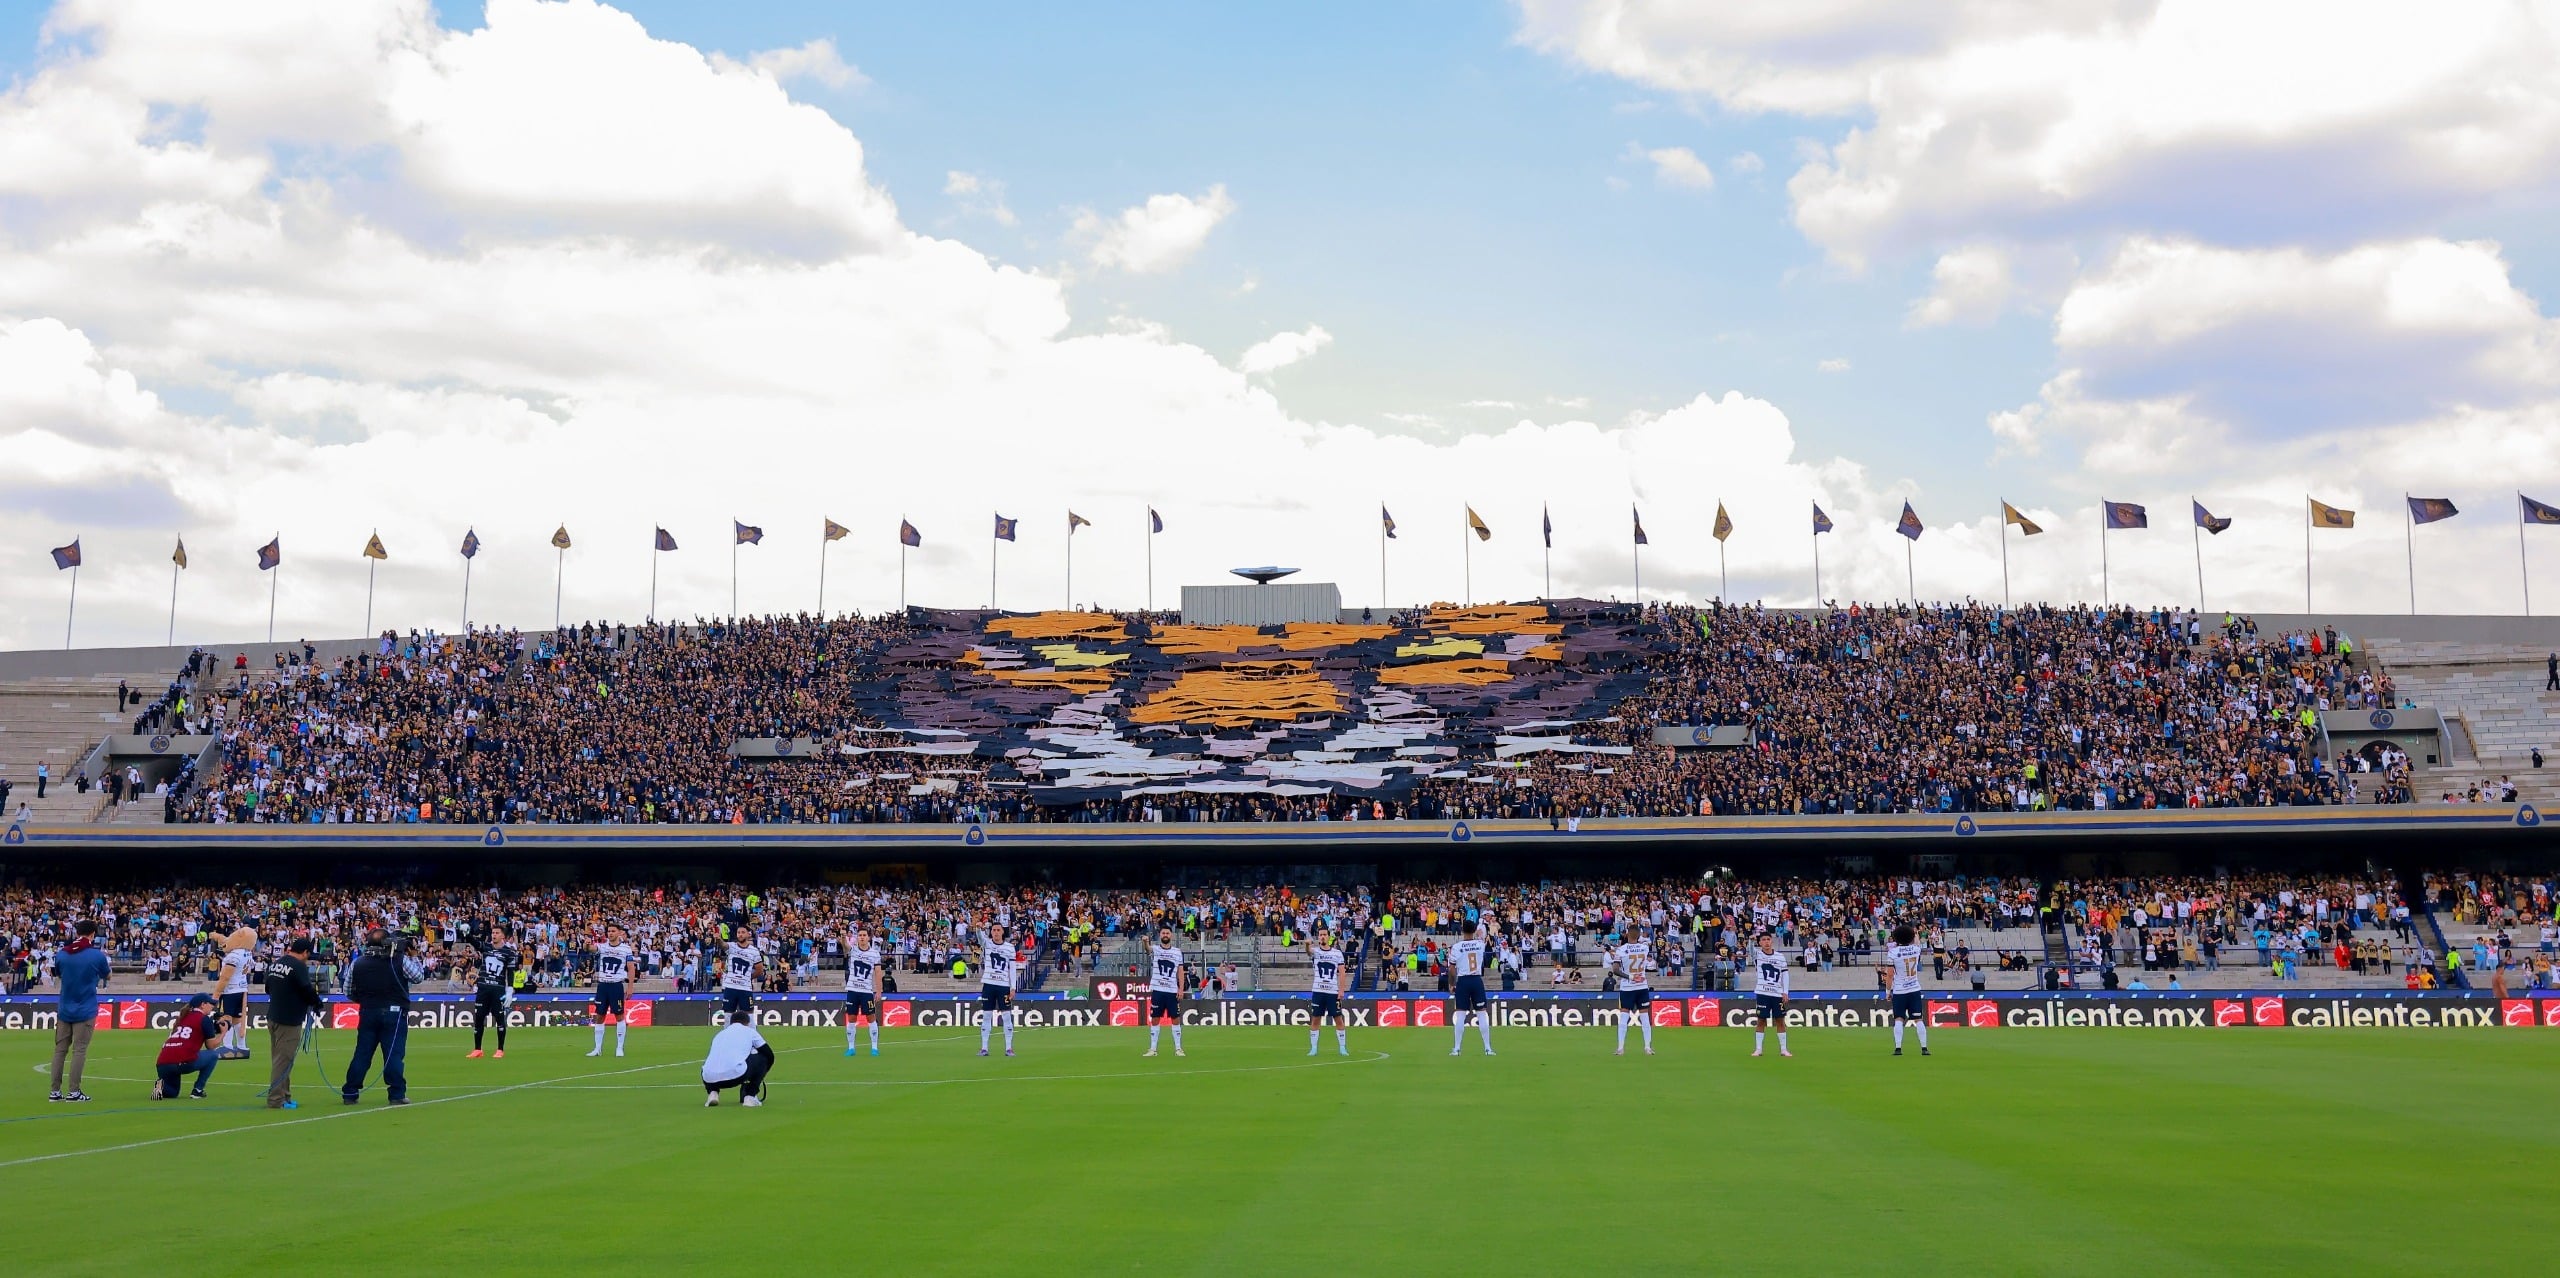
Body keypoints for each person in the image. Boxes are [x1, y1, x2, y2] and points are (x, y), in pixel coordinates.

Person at [339, 929, 413, 1106]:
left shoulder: (358, 963)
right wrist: (406, 953)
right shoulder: (399, 959)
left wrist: (363, 1000)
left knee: (362, 1054)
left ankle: (350, 1092)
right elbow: (418, 976)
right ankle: (396, 1094)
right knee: (393, 1056)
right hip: (394, 1012)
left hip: (368, 1011)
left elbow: (347, 990)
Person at [49, 917, 110, 1102]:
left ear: (76, 933)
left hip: (65, 1008)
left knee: (60, 1050)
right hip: (85, 1008)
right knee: (79, 1050)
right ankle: (74, 1091)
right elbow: (107, 974)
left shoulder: (62, 954)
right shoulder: (97, 955)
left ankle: (55, 1091)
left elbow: (57, 973)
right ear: (93, 935)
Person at [260, 936, 323, 1109]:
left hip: (273, 1016)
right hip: (289, 1019)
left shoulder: (276, 964)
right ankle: (275, 1100)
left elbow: (267, 988)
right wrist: (316, 1002)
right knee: (283, 1060)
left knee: (281, 1059)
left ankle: (285, 1096)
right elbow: (306, 988)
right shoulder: (298, 966)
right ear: (305, 952)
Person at [154, 993, 230, 1099]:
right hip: (183, 1061)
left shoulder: (182, 1017)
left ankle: (160, 1086)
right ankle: (198, 1090)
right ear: (202, 1004)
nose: (212, 1006)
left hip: (162, 1063)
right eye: (210, 1004)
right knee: (213, 1055)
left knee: (172, 1094)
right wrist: (223, 1033)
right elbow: (211, 1046)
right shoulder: (203, 1019)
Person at [701, 1013, 773, 1108]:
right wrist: (760, 1075)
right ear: (747, 1023)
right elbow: (769, 1054)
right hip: (736, 1076)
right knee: (763, 1058)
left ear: (731, 1023)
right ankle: (750, 1096)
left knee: (708, 1065)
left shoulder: (719, 1034)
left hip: (708, 1079)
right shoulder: (750, 1032)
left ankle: (713, 1093)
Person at [587, 925, 636, 1058]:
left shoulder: (625, 949)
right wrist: (587, 945)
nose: (610, 933)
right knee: (599, 1015)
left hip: (616, 985)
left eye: (613, 931)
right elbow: (591, 949)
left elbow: (631, 968)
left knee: (619, 1015)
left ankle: (619, 1047)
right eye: (609, 931)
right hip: (603, 985)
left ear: (619, 933)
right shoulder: (603, 946)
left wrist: (630, 987)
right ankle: (597, 1048)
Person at [1448, 918, 1493, 1056]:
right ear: (1474, 930)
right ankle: (1487, 1048)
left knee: (1460, 1014)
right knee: (1482, 1013)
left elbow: (1451, 968)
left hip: (1463, 981)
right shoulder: (1480, 944)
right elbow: (1485, 937)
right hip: (1476, 980)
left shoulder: (1456, 947)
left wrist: (1451, 984)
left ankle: (1457, 1048)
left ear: (1462, 931)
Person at [1885, 924, 1930, 1057]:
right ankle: (1924, 1048)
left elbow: (1890, 974)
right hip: (1914, 988)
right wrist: (1915, 933)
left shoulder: (1893, 953)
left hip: (1899, 990)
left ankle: (1898, 1048)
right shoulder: (1916, 949)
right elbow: (1916, 940)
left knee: (1899, 1019)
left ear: (1896, 938)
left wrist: (1888, 992)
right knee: (1918, 1019)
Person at [213, 927, 258, 1059]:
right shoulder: (247, 953)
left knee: (225, 1017)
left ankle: (227, 1047)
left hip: (230, 990)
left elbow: (225, 977)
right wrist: (216, 936)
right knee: (238, 1019)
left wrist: (216, 994)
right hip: (242, 989)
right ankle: (242, 1047)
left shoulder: (233, 956)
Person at [468, 935, 516, 1058]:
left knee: (499, 1018)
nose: (493, 935)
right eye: (493, 932)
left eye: (496, 933)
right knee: (478, 1018)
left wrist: (510, 989)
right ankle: (477, 1049)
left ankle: (500, 1049)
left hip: (498, 990)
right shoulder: (487, 947)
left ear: (502, 936)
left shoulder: (509, 952)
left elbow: (510, 972)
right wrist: (467, 933)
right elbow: (474, 942)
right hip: (483, 989)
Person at [976, 927, 1020, 1057]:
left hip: (1003, 986)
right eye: (993, 930)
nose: (995, 932)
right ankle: (984, 1048)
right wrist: (978, 928)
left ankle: (1009, 1048)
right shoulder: (987, 944)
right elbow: (979, 938)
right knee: (986, 1016)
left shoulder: (1009, 948)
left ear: (1002, 932)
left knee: (1006, 1016)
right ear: (991, 932)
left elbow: (1012, 969)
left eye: (998, 930)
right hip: (988, 985)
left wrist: (1013, 987)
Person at [1610, 930, 1655, 1057]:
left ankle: (1620, 1048)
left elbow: (1615, 970)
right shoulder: (1645, 948)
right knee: (1645, 1018)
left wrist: (1629, 977)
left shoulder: (1621, 950)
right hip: (1642, 986)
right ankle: (1647, 1047)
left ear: (1627, 935)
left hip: (1627, 987)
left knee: (1624, 1017)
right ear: (1638, 936)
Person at [842, 926, 884, 1058]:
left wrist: (879, 991)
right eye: (860, 935)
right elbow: (845, 946)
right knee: (852, 1018)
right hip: (852, 989)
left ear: (869, 937)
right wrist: (843, 937)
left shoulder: (875, 954)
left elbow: (878, 973)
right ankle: (851, 1048)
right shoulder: (853, 949)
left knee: (871, 1018)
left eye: (864, 935)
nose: (862, 937)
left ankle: (874, 1048)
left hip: (866, 991)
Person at [1307, 929, 1350, 1057]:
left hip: (1332, 991)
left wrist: (1341, 990)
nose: (1322, 937)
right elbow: (1308, 952)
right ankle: (1314, 1048)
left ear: (1329, 937)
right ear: (1318, 937)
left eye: (1325, 935)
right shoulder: (1315, 952)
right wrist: (1307, 944)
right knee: (1315, 1019)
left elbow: (1342, 972)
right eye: (1320, 935)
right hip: (1318, 991)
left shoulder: (1337, 953)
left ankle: (1342, 1048)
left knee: (1338, 1019)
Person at [1144, 927, 1186, 1058]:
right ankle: (1153, 1049)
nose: (1165, 935)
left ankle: (1178, 1049)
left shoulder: (1177, 952)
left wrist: (1181, 988)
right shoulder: (1156, 949)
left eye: (1167, 933)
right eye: (1163, 933)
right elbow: (1148, 949)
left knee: (1175, 1018)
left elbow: (1180, 971)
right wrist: (1145, 942)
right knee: (1155, 1018)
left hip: (1172, 990)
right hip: (1157, 989)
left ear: (1171, 935)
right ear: (1160, 935)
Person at [1750, 933, 1791, 1058]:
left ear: (1771, 941)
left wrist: (1785, 992)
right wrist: (1751, 941)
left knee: (1780, 1020)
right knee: (1761, 1020)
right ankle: (1758, 1049)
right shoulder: (1758, 955)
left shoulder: (1780, 957)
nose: (1766, 942)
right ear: (1760, 943)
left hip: (1777, 993)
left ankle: (1783, 1049)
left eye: (1768, 939)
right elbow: (1750, 950)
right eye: (1763, 940)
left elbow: (1785, 975)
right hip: (1762, 992)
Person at [718, 934, 762, 1025]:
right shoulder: (732, 946)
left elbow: (759, 970)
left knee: (749, 1016)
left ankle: (751, 1038)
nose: (740, 934)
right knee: (728, 1016)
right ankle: (728, 1038)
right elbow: (723, 945)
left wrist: (749, 978)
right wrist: (718, 939)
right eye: (738, 932)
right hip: (730, 987)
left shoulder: (754, 951)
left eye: (743, 932)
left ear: (748, 934)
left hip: (745, 988)